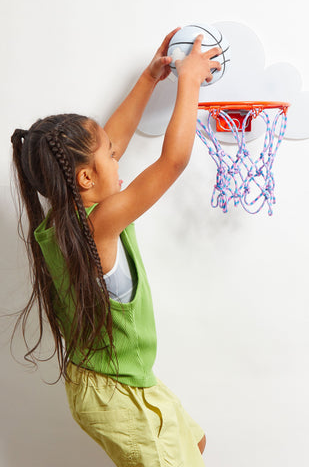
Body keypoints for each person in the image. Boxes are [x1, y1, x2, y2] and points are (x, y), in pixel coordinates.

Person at [10, 29, 221, 467]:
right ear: (84, 178)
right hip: (115, 391)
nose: (118, 155)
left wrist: (150, 78)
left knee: (194, 445)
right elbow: (173, 162)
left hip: (120, 377)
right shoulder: (100, 226)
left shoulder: (65, 220)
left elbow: (113, 140)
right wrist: (190, 81)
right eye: (110, 155)